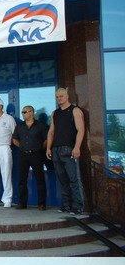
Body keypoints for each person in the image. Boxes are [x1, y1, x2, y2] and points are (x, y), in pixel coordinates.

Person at [46, 87, 85, 215]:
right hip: (56, 150)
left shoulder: (75, 110)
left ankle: (78, 206)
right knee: (62, 179)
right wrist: (48, 147)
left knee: (74, 179)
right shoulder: (55, 113)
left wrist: (77, 147)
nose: (59, 98)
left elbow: (81, 130)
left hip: (69, 149)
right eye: (57, 97)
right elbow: (51, 132)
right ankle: (66, 205)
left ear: (67, 96)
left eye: (61, 96)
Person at [12, 105, 47, 211]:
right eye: (22, 112)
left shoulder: (40, 125)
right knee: (22, 179)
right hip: (23, 154)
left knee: (40, 179)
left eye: (25, 112)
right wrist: (21, 146)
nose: (23, 114)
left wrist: (39, 148)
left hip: (36, 154)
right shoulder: (19, 126)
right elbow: (14, 139)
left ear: (31, 112)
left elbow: (46, 139)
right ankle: (22, 203)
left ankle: (41, 204)